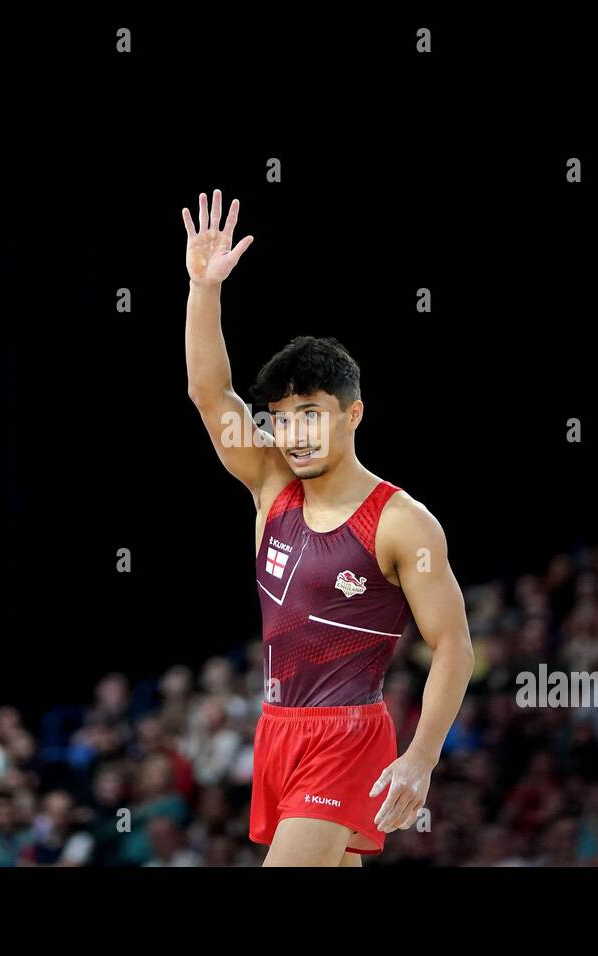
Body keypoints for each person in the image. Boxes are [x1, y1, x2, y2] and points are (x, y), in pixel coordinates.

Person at [182, 188, 474, 866]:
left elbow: (453, 643)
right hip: (276, 731)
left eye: (311, 412)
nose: (295, 432)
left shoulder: (401, 522)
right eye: (281, 417)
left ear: (353, 415)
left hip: (346, 736)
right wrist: (203, 291)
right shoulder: (271, 484)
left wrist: (421, 757)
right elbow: (209, 394)